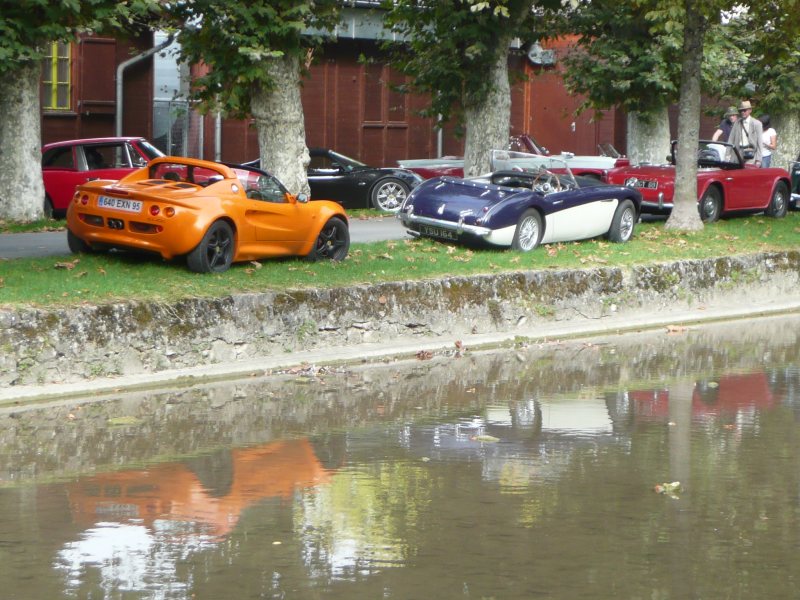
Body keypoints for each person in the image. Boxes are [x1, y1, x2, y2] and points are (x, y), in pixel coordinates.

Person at [728, 100, 763, 165]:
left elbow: (759, 143)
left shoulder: (757, 124)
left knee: (748, 173)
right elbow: (731, 139)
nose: (743, 112)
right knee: (738, 173)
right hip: (738, 152)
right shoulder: (737, 123)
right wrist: (727, 155)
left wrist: (758, 159)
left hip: (750, 152)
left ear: (750, 110)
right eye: (741, 110)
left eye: (745, 110)